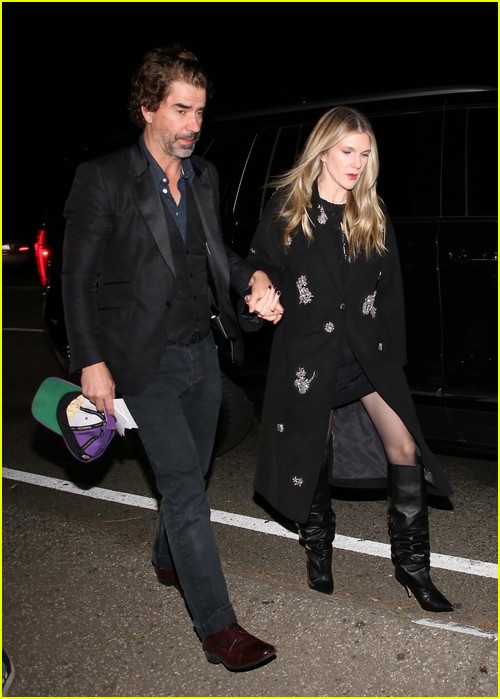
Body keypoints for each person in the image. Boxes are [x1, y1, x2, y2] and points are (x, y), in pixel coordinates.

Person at [61, 43, 282, 671]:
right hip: (139, 360)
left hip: (199, 352)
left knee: (197, 463)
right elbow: (77, 278)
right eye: (181, 111)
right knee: (185, 487)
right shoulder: (104, 177)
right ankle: (219, 629)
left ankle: (167, 557)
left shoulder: (205, 177)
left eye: (201, 113)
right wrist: (90, 360)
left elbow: (219, 255)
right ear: (147, 107)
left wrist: (253, 281)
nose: (193, 126)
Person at [246, 105, 454, 613]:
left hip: (365, 358)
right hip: (311, 358)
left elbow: (392, 295)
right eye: (347, 151)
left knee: (404, 445)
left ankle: (412, 569)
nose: (357, 163)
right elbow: (258, 265)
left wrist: (394, 362)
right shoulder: (287, 211)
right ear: (322, 151)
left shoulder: (370, 213)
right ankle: (318, 544)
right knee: (314, 454)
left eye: (365, 153)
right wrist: (258, 287)